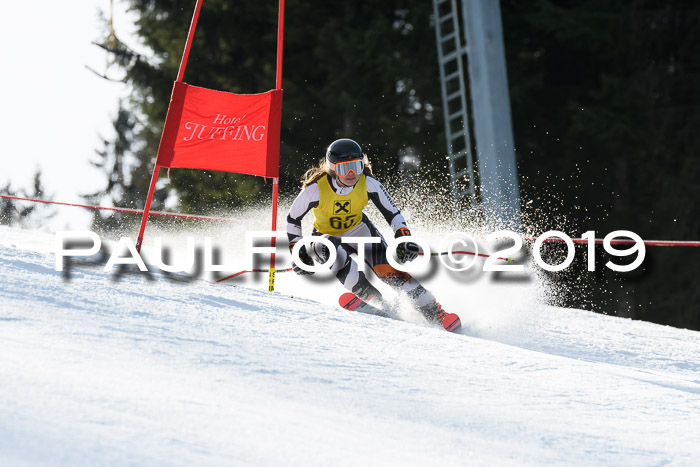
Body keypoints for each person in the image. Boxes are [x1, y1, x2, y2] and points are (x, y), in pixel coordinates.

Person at [286, 138, 460, 331]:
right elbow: (293, 219)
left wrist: (404, 238)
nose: (351, 174)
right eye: (345, 169)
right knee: (335, 254)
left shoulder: (368, 183)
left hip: (360, 231)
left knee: (391, 273)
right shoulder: (315, 190)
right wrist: (298, 252)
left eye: (356, 166)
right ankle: (377, 303)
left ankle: (436, 313)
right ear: (333, 168)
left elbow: (392, 213)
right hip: (325, 238)